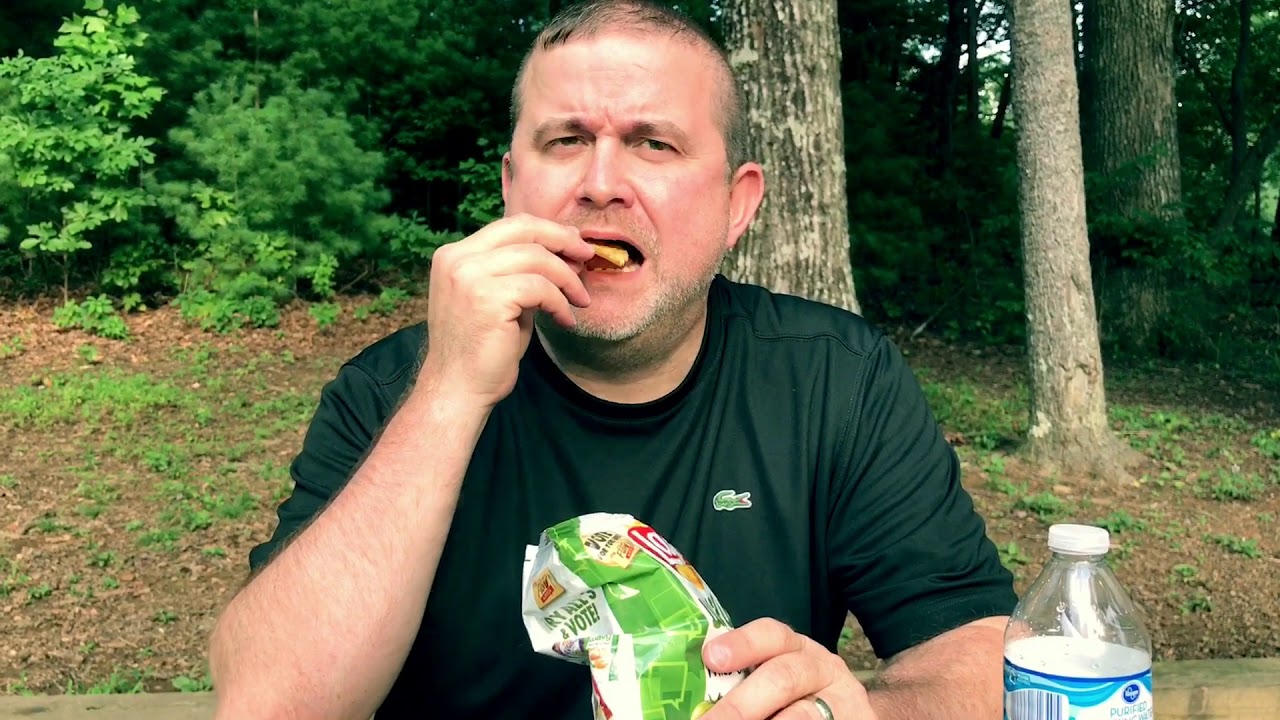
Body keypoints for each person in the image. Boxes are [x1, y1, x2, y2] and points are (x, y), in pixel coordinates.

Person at [207, 1, 1017, 718]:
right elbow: (270, 702)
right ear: (511, 185)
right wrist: (449, 396)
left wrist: (860, 715)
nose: (601, 184)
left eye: (653, 144)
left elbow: (980, 652)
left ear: (739, 204)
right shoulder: (391, 391)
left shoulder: (835, 380)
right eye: (566, 141)